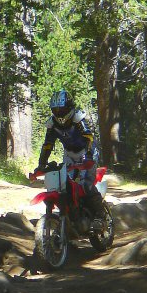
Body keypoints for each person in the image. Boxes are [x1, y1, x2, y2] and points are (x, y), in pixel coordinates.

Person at [32, 90, 106, 231]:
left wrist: (89, 157)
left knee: (85, 185)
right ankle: (71, 218)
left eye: (62, 109)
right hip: (69, 154)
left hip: (87, 151)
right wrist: (41, 164)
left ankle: (100, 216)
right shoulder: (52, 124)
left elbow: (89, 137)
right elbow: (48, 144)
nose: (59, 113)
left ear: (70, 107)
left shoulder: (78, 118)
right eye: (56, 110)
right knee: (64, 185)